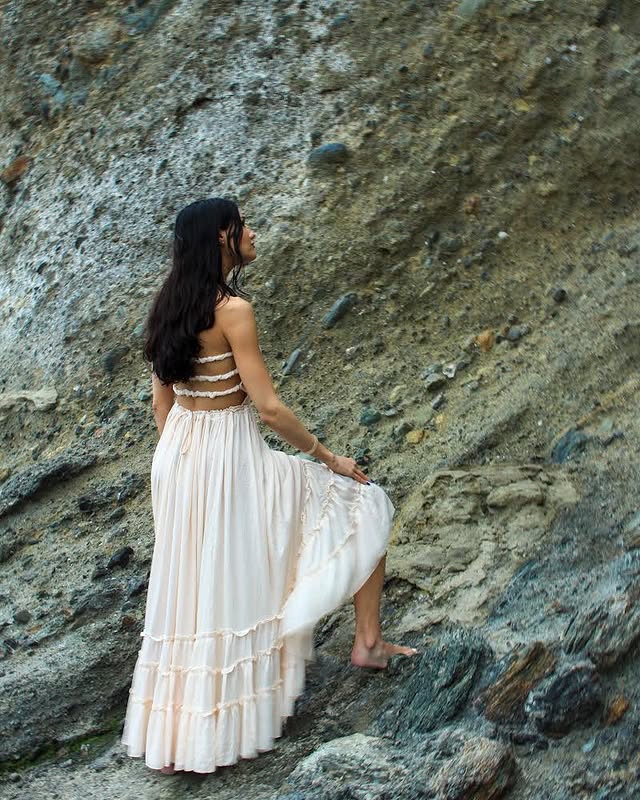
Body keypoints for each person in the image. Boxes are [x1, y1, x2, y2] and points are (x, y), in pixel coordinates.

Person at [120, 197, 418, 774]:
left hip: (177, 457)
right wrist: (329, 457)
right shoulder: (233, 310)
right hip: (229, 455)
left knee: (196, 589)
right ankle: (368, 643)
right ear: (222, 238)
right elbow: (270, 409)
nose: (253, 233)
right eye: (243, 225)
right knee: (364, 502)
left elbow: (162, 403)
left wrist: (183, 467)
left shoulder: (168, 305)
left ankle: (180, 736)